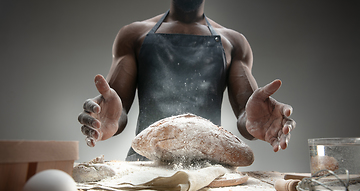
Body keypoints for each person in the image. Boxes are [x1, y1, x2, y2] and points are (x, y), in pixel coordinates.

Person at [78, 0, 296, 162]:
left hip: (209, 171)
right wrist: (107, 120)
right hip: (144, 166)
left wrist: (255, 122)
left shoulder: (234, 42)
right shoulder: (133, 35)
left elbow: (246, 116)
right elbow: (117, 109)